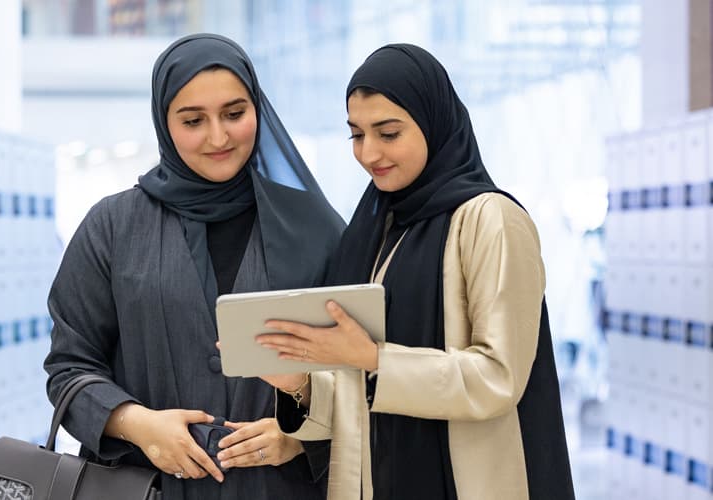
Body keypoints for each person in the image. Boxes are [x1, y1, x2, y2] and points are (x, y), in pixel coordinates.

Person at [256, 44, 575, 500]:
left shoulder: (490, 220)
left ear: (432, 123)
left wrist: (373, 359)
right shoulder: (377, 228)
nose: (369, 153)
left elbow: (498, 378)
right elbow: (361, 400)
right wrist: (299, 387)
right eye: (356, 135)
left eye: (388, 133)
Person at [44, 33, 344, 500]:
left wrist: (301, 433)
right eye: (193, 121)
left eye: (234, 114)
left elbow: (361, 372)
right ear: (164, 123)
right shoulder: (112, 227)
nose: (218, 137)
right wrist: (136, 424)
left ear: (258, 110)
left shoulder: (314, 228)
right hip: (149, 487)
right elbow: (69, 367)